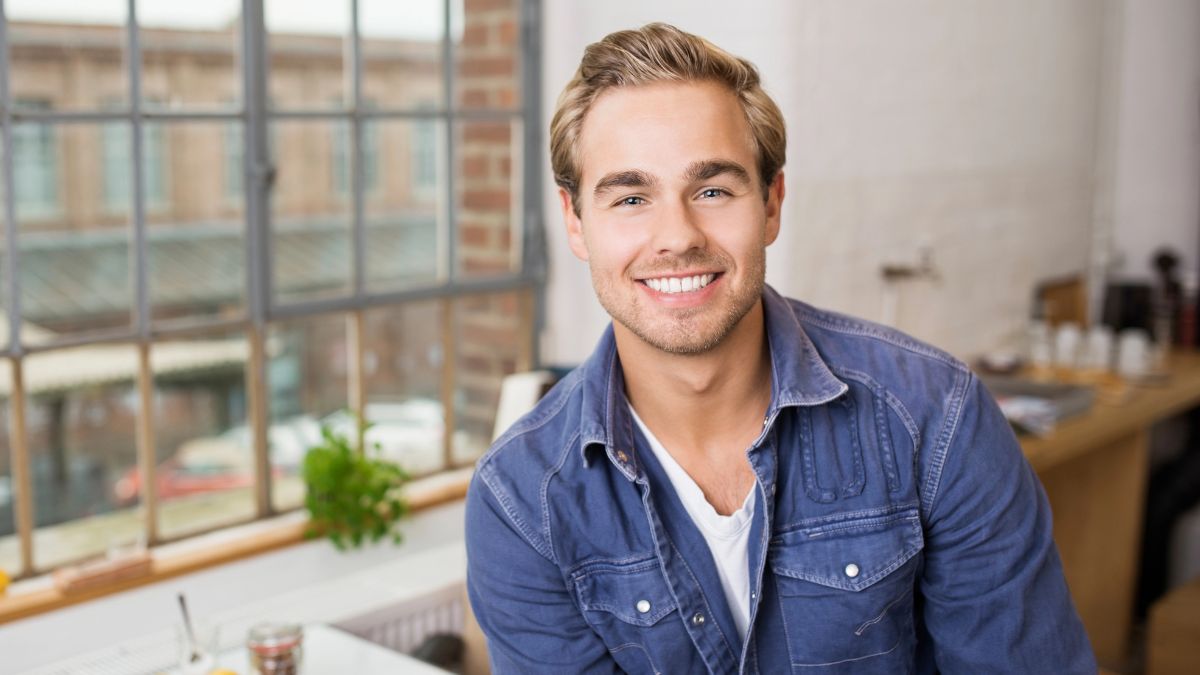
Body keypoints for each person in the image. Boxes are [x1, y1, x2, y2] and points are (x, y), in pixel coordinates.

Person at [465, 22, 1096, 674]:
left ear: (771, 203)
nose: (677, 236)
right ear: (574, 221)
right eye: (631, 197)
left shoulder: (937, 419)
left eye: (712, 190)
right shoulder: (521, 503)